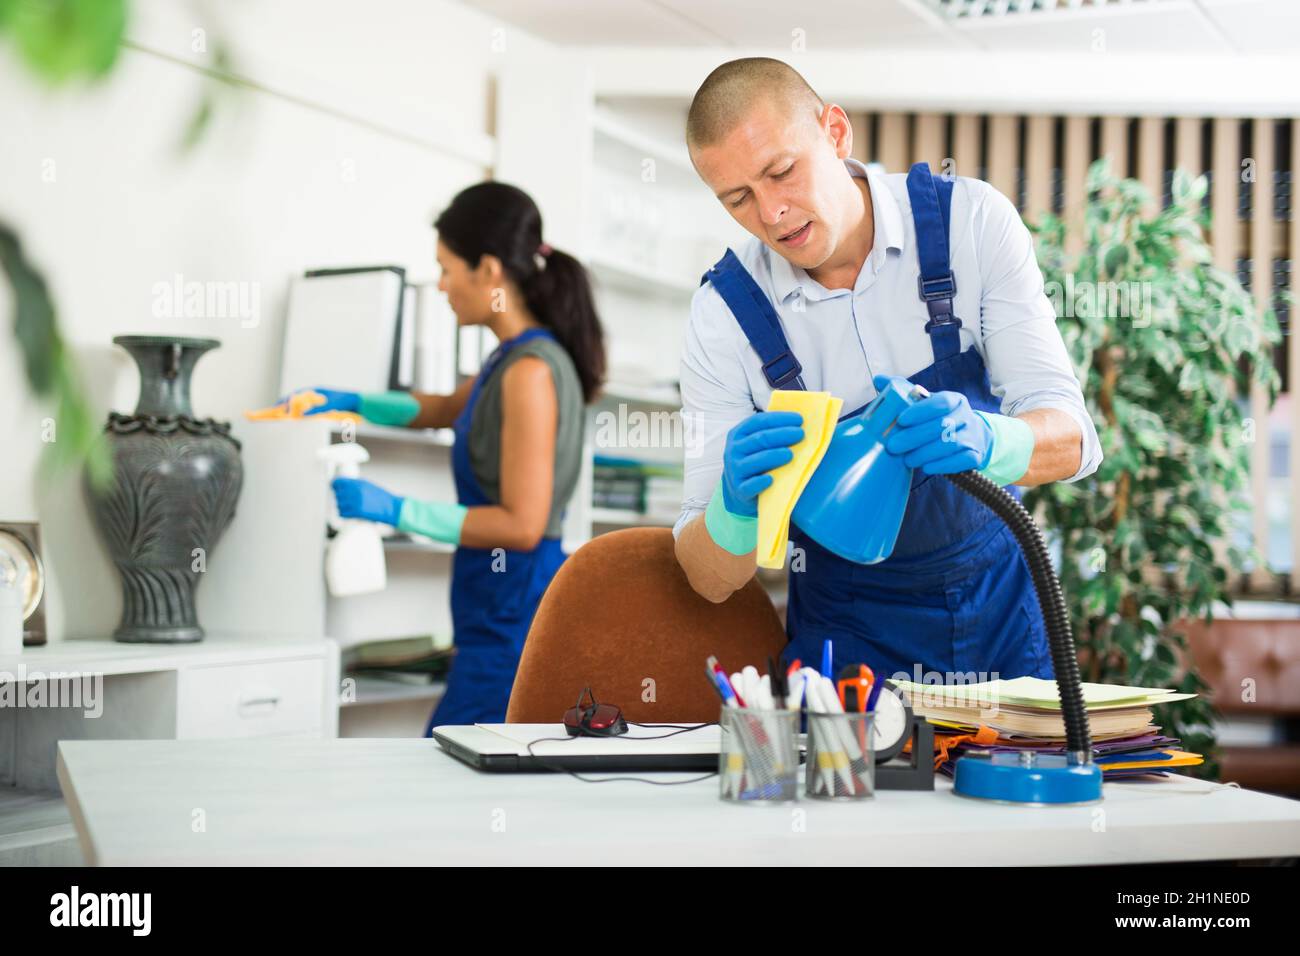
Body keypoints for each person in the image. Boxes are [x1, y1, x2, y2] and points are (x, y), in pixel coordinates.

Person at [674, 58, 1102, 684]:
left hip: (1000, 610)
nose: (770, 213)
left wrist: (990, 440)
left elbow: (1074, 440)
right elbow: (708, 579)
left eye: (781, 172)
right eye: (738, 198)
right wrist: (734, 509)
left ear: (836, 132)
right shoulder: (724, 316)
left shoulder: (972, 225)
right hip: (848, 633)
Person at [291, 182, 605, 729]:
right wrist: (347, 401)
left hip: (516, 616)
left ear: (488, 270)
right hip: (492, 612)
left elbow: (523, 525)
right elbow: (439, 407)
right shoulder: (508, 360)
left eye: (446, 268)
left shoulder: (530, 373)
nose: (440, 285)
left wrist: (394, 511)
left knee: (450, 757)